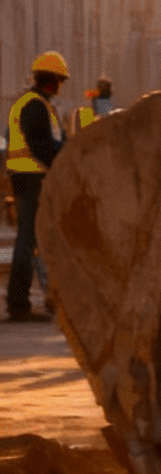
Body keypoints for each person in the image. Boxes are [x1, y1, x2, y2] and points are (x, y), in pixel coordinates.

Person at [6, 50, 69, 323]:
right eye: (60, 81)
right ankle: (18, 303)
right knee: (28, 240)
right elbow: (42, 146)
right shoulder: (34, 105)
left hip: (29, 177)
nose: (60, 86)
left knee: (33, 240)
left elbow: (53, 142)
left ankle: (36, 299)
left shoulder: (37, 105)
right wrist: (63, 164)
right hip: (33, 178)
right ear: (53, 80)